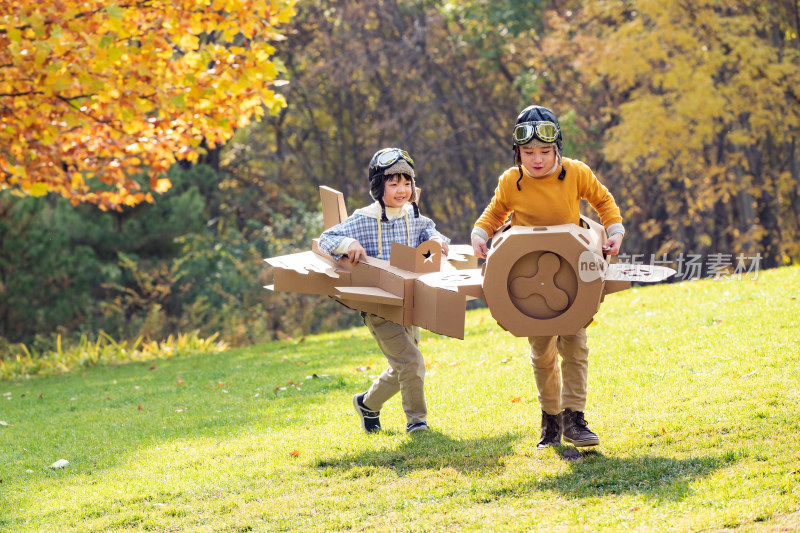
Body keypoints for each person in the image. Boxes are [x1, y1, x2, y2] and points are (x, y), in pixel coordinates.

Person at [471, 105, 625, 449]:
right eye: (528, 152)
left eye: (544, 151)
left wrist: (615, 231)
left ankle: (575, 418)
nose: (537, 159)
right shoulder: (511, 182)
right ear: (518, 152)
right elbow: (494, 213)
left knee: (576, 344)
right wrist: (480, 234)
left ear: (557, 149)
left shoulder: (576, 173)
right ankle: (551, 422)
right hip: (528, 276)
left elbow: (604, 201)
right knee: (542, 352)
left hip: (572, 273)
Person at [318, 148, 450, 434]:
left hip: (410, 302)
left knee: (402, 365)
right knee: (412, 362)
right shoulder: (363, 219)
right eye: (393, 184)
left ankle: (367, 403)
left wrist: (437, 242)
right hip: (378, 306)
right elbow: (327, 238)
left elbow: (432, 232)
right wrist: (347, 245)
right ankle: (417, 422)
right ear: (379, 187)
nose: (401, 190)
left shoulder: (413, 215)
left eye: (407, 183)